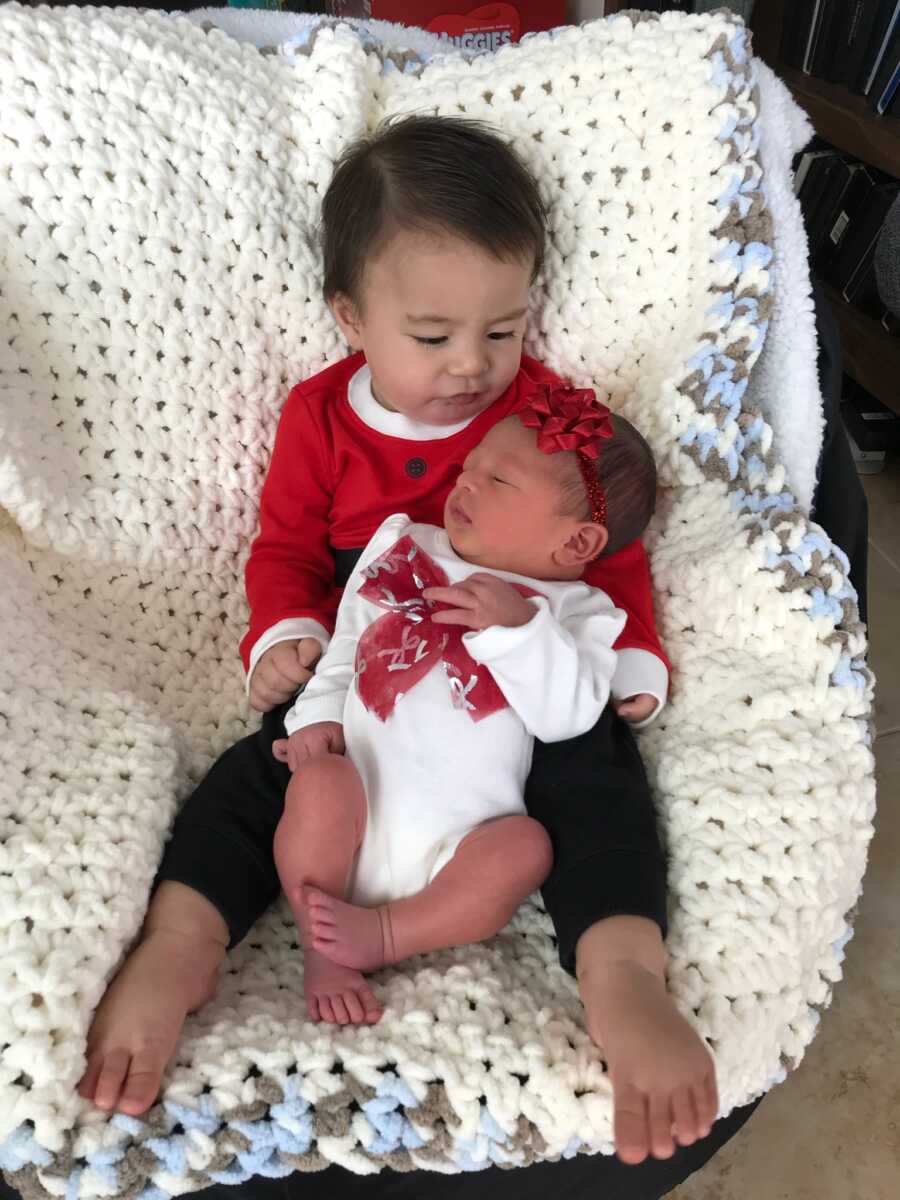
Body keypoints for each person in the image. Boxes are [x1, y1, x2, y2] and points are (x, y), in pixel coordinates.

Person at [78, 114, 715, 1165]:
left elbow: (601, 550)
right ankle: (181, 943)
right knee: (266, 771)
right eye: (434, 338)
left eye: (503, 331)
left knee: (594, 776)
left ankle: (622, 975)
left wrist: (631, 648)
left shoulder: (540, 419)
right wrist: (286, 634)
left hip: (520, 669)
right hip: (369, 648)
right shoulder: (321, 419)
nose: (473, 368)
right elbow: (284, 544)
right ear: (352, 318)